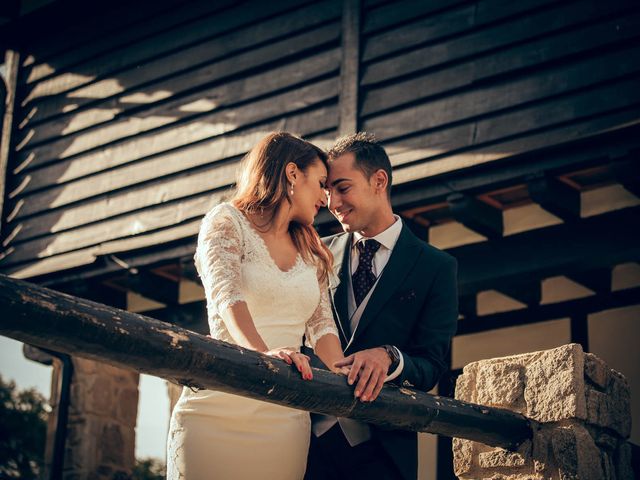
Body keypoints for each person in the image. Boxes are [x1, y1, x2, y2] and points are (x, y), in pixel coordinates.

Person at [166, 132, 348, 479]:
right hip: (215, 409)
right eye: (322, 183)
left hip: (282, 419)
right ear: (293, 173)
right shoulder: (225, 221)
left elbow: (322, 326)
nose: (326, 198)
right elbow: (226, 298)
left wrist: (344, 373)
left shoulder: (311, 250)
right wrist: (263, 357)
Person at [305, 133, 458, 480]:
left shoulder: (436, 267)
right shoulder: (316, 253)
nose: (332, 202)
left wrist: (390, 356)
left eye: (342, 188)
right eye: (327, 191)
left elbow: (431, 365)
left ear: (379, 181)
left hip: (383, 452)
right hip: (305, 445)